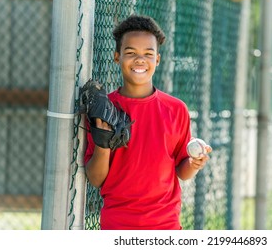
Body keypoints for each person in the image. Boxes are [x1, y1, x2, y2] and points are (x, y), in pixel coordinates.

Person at [84, 15, 212, 230]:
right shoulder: (104, 109)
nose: (140, 59)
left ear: (158, 60)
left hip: (165, 225)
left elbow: (182, 171)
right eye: (131, 52)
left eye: (148, 54)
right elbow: (96, 179)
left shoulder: (176, 109)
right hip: (118, 224)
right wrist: (102, 144)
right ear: (117, 57)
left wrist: (193, 164)